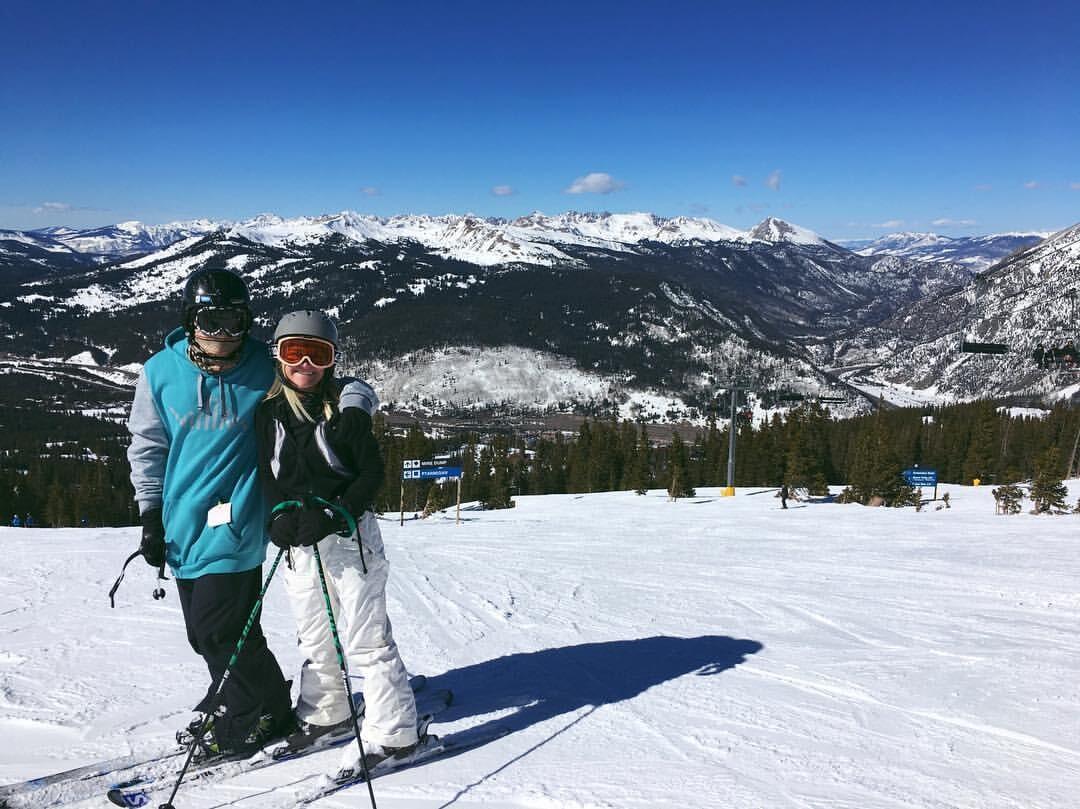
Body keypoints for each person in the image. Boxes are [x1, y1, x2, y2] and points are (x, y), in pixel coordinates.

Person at [126, 267, 293, 760]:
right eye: (210, 321)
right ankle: (263, 699)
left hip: (239, 520)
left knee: (218, 627)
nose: (222, 334)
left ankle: (245, 720)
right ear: (190, 320)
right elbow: (148, 446)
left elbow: (319, 382)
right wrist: (151, 514)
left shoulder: (266, 368)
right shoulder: (160, 372)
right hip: (183, 524)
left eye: (234, 322)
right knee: (211, 631)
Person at [255, 310, 419, 771]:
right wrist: (277, 516)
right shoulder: (268, 413)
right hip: (301, 541)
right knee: (313, 631)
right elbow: (267, 475)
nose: (305, 362)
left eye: (318, 353)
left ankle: (397, 732)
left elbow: (371, 474)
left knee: (365, 636)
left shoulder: (344, 415)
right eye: (293, 352)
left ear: (331, 361)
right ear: (278, 357)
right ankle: (329, 712)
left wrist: (337, 511)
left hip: (350, 539)